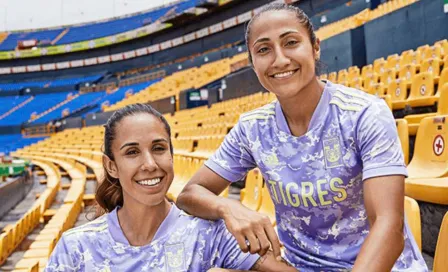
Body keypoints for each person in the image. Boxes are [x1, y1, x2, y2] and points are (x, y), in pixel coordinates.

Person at [177, 3, 428, 272]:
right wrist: (228, 208)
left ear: (315, 46)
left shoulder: (364, 114)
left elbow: (388, 225)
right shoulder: (252, 129)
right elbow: (189, 195)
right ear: (252, 63)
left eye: (291, 42)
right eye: (263, 50)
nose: (280, 59)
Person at [44, 103, 296, 272]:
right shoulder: (75, 247)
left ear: (171, 155)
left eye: (159, 148)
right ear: (111, 167)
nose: (150, 164)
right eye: (132, 152)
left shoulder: (208, 234)